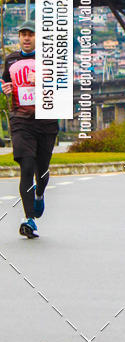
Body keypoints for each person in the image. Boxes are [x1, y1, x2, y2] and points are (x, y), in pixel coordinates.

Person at [1, 20, 59, 239]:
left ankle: (40, 194)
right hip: (21, 120)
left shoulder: (50, 60)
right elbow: (4, 81)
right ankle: (29, 219)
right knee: (26, 166)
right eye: (23, 34)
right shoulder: (11, 59)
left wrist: (44, 80)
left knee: (41, 170)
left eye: (31, 34)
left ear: (38, 38)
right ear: (19, 37)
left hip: (46, 121)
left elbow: (64, 85)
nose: (26, 38)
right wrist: (3, 88)